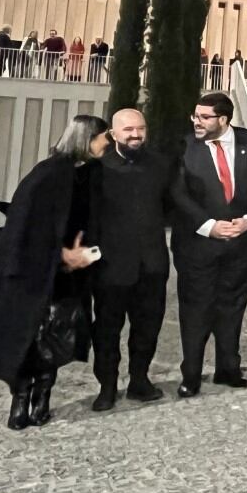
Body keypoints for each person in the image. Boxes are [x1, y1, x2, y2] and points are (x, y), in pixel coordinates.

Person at [0, 115, 109, 430]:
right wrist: (60, 254)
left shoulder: (93, 174)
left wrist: (87, 254)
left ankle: (42, 397)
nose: (107, 144)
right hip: (33, 275)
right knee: (28, 337)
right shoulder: (47, 175)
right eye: (104, 138)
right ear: (87, 139)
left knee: (56, 337)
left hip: (70, 275)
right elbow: (23, 228)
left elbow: (97, 222)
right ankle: (20, 398)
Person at [169, 92, 247, 396]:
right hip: (197, 245)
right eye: (195, 116)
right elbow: (177, 193)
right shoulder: (184, 147)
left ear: (224, 119)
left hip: (241, 245)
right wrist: (209, 226)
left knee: (233, 307)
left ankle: (228, 370)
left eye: (204, 117)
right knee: (196, 310)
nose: (196, 122)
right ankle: (191, 375)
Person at [88, 109, 172, 411]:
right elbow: (89, 218)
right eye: (128, 130)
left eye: (140, 128)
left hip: (152, 264)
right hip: (110, 267)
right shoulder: (98, 169)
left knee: (148, 327)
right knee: (106, 331)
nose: (135, 135)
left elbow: (170, 207)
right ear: (113, 134)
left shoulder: (160, 164)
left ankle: (139, 380)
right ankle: (107, 387)